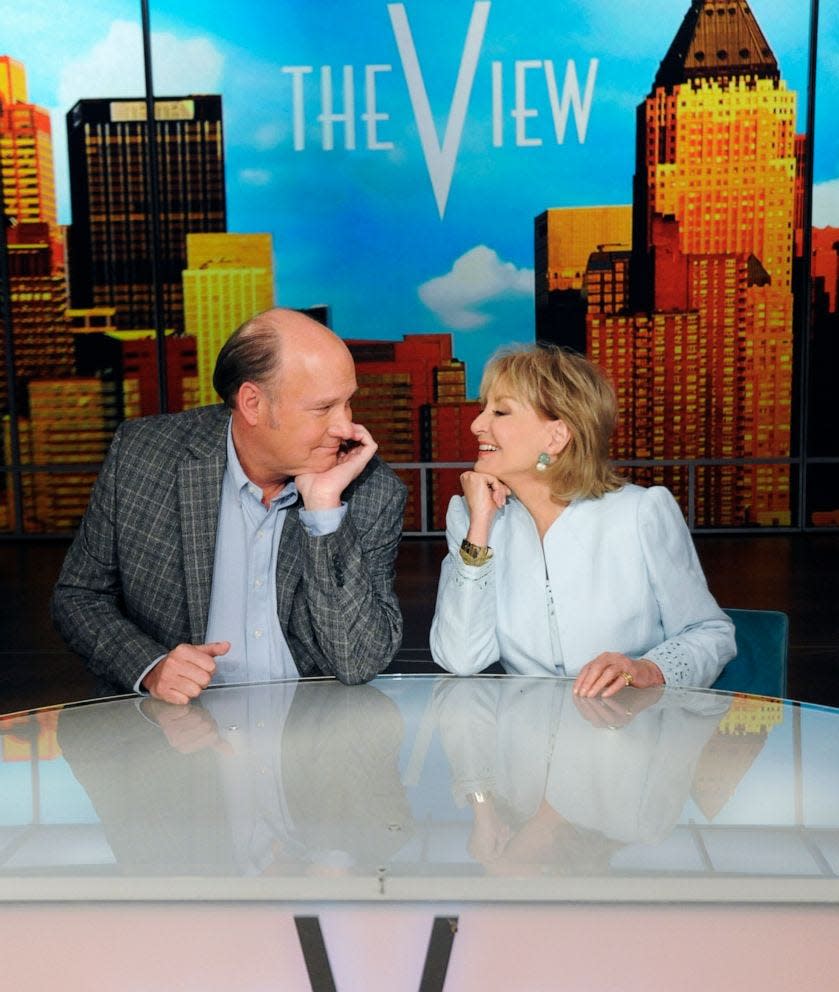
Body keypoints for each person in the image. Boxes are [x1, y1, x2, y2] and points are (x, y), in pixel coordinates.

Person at [51, 307, 407, 703]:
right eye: (323, 408)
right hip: (175, 735)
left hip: (308, 736)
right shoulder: (144, 456)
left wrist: (324, 512)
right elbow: (79, 596)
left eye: (348, 403)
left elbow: (357, 661)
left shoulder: (373, 491)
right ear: (252, 403)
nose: (344, 427)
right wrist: (150, 667)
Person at [429, 343, 735, 695]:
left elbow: (711, 633)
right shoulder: (470, 518)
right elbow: (460, 659)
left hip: (632, 731)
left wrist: (649, 668)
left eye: (500, 412)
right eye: (484, 409)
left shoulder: (640, 513)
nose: (476, 424)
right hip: (524, 739)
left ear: (556, 436)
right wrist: (479, 525)